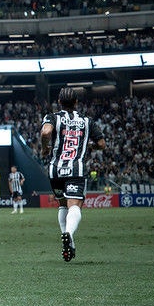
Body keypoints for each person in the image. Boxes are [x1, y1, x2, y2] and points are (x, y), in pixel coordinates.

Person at [41, 87, 106, 262]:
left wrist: (44, 148)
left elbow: (45, 132)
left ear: (59, 102)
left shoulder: (52, 117)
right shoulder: (87, 121)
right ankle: (69, 233)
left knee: (62, 205)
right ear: (77, 103)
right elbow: (101, 144)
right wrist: (88, 146)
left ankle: (68, 239)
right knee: (74, 205)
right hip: (75, 168)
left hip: (55, 169)